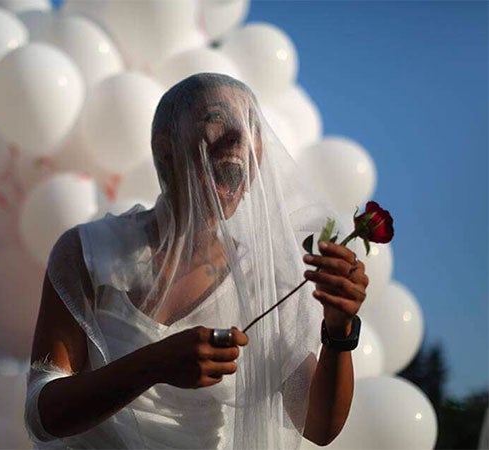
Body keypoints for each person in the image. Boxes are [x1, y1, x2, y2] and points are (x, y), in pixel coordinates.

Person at [24, 73, 369, 449]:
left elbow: (318, 426)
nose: (239, 137)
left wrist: (339, 331)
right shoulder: (89, 251)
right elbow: (43, 415)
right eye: (219, 118)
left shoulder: (262, 279)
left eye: (252, 126)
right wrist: (154, 364)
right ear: (166, 149)